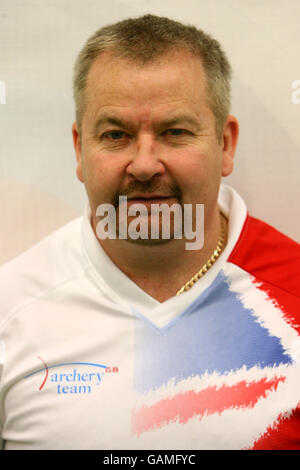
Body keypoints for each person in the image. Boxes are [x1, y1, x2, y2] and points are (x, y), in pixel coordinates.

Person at [0, 14, 299, 451]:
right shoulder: (10, 308)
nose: (144, 164)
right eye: (116, 135)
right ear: (80, 149)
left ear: (225, 144)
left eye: (175, 132)